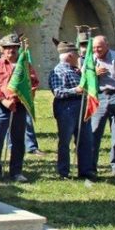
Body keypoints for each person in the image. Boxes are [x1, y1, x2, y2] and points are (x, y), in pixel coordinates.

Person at [0, 33, 39, 182]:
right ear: (2, 49)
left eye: (14, 48)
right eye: (8, 48)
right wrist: (3, 101)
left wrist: (28, 94)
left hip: (19, 107)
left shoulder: (25, 65)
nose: (11, 51)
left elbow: (34, 82)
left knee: (18, 140)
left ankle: (16, 172)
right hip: (2, 107)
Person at [48, 40, 95, 180]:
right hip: (66, 108)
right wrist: (77, 90)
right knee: (65, 141)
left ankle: (85, 171)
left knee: (85, 140)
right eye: (76, 54)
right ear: (69, 55)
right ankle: (64, 172)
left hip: (81, 107)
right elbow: (58, 92)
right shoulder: (58, 71)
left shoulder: (76, 70)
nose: (79, 57)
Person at [90, 35, 115, 177]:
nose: (96, 50)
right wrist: (94, 74)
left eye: (99, 47)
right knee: (94, 131)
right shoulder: (90, 59)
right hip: (100, 97)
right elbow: (84, 79)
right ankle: (91, 167)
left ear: (107, 45)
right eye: (94, 47)